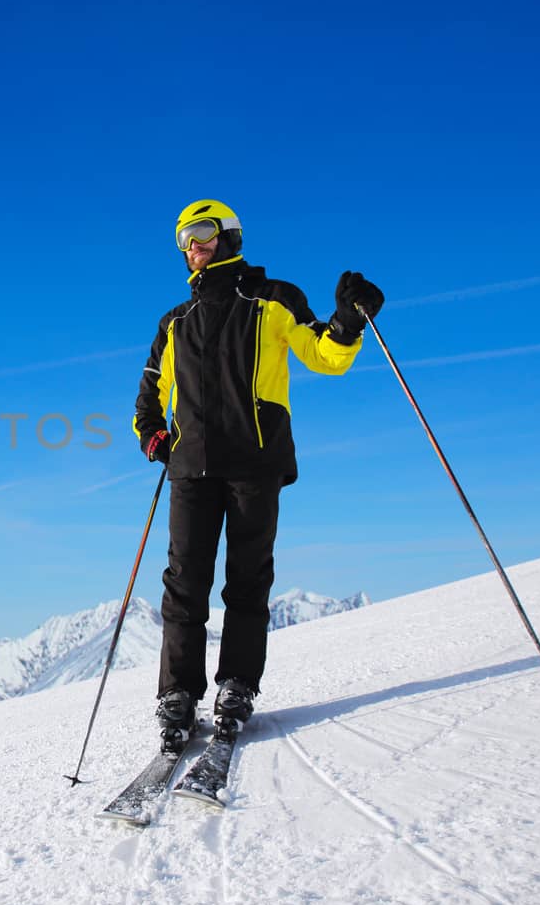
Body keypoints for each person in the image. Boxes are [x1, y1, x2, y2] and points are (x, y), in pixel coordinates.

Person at [132, 199, 383, 752]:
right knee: (184, 585)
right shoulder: (176, 320)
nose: (191, 247)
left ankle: (237, 686)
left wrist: (347, 322)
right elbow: (151, 390)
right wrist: (153, 435)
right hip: (191, 468)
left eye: (199, 233)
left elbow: (323, 356)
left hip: (255, 462)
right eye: (182, 240)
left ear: (227, 235)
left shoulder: (274, 300)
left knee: (248, 581)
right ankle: (177, 694)